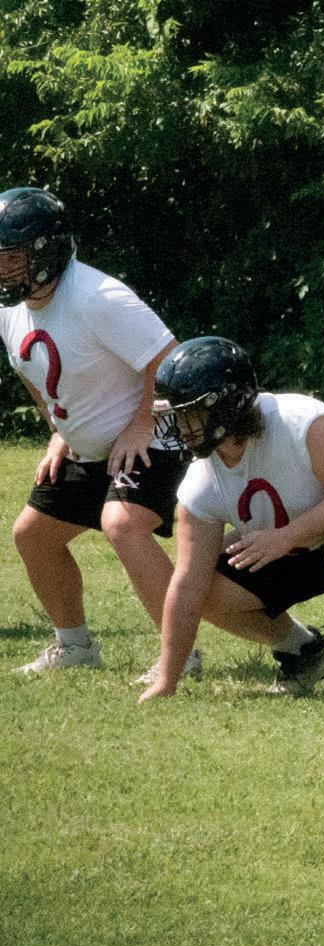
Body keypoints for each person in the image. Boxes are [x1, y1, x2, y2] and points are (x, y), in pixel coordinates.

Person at [137, 337, 324, 707]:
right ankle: (304, 651)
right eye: (177, 415)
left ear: (229, 404)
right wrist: (167, 680)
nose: (181, 427)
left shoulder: (298, 421)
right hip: (303, 537)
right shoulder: (201, 483)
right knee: (207, 587)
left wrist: (287, 536)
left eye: (191, 413)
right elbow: (186, 585)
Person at [0, 186, 195, 678]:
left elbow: (171, 359)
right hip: (91, 448)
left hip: (154, 437)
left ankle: (182, 656)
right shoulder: (11, 311)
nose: (2, 269)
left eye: (11, 257)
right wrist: (60, 432)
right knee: (33, 536)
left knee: (122, 524)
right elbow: (32, 373)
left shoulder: (97, 296)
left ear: (45, 251)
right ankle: (75, 647)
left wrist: (141, 422)